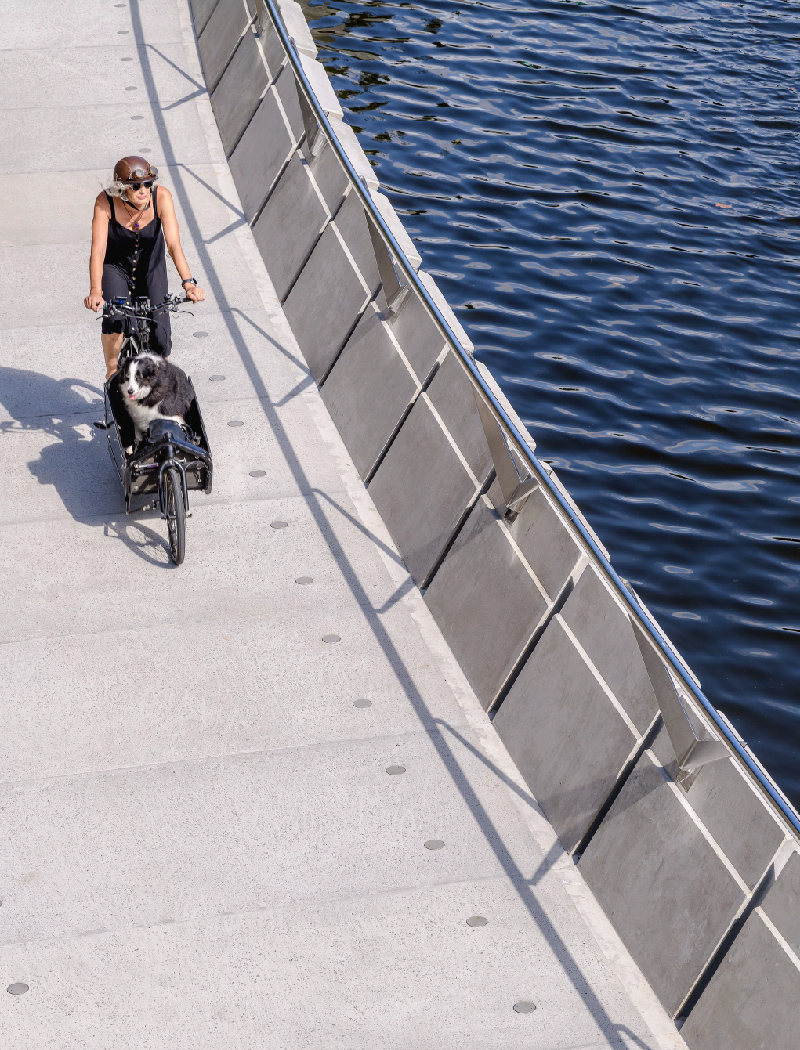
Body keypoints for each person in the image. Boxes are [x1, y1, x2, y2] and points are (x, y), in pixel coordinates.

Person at [84, 156, 206, 378]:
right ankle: (112, 373)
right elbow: (98, 250)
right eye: (136, 186)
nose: (144, 190)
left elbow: (173, 244)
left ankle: (160, 383)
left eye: (148, 184)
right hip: (116, 268)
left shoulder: (162, 197)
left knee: (160, 333)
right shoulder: (105, 202)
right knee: (115, 321)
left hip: (152, 269)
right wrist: (95, 291)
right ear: (121, 189)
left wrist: (189, 283)